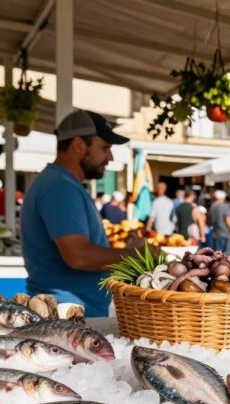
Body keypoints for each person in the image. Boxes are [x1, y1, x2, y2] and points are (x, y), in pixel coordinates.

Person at [21, 109, 151, 317]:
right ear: (79, 145)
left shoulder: (62, 183)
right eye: (105, 148)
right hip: (67, 316)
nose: (109, 157)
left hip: (72, 313)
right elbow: (78, 256)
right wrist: (138, 256)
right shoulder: (60, 188)